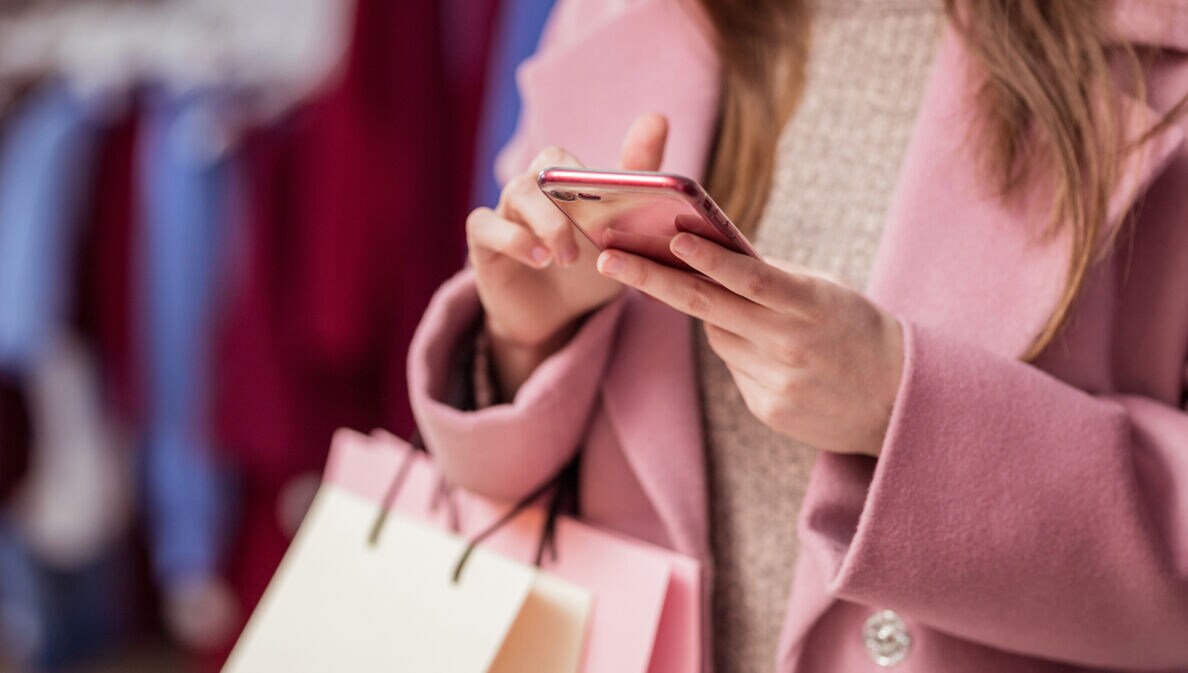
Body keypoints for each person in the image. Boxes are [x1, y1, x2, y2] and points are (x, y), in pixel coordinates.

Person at [408, 0, 1188, 670]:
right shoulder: (623, 15)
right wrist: (526, 334)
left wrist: (903, 406)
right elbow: (513, 487)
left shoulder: (1155, 48)